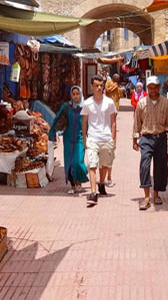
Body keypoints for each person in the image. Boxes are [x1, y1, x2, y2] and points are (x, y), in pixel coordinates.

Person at [132, 76, 168, 210]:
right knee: (145, 165)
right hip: (146, 138)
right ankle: (146, 196)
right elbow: (137, 122)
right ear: (147, 88)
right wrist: (135, 139)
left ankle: (156, 194)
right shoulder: (141, 103)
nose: (153, 90)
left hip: (161, 137)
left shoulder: (166, 103)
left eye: (155, 87)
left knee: (160, 166)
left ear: (159, 87)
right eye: (150, 87)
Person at [81, 75, 117, 206]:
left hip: (106, 137)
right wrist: (85, 139)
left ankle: (101, 183)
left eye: (101, 85)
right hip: (92, 138)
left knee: (105, 164)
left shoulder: (109, 102)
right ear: (92, 86)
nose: (99, 88)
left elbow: (113, 122)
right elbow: (84, 122)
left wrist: (113, 139)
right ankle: (93, 192)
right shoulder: (87, 103)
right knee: (92, 165)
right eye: (96, 85)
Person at [48, 86, 88, 194]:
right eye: (73, 94)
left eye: (77, 94)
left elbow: (90, 123)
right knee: (69, 163)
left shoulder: (84, 108)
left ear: (80, 95)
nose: (75, 96)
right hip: (68, 138)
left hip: (79, 138)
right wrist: (52, 133)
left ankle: (80, 180)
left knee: (78, 162)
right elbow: (57, 118)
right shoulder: (66, 107)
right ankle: (73, 185)